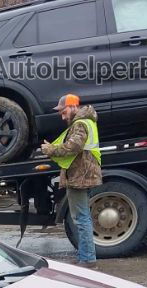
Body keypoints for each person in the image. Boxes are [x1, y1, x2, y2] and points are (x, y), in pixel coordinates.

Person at [40, 93, 102, 265]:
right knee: (83, 218)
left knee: (81, 219)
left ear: (74, 107)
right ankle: (87, 256)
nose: (62, 115)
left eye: (63, 110)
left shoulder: (80, 123)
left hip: (80, 176)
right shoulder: (86, 121)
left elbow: (73, 147)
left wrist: (50, 150)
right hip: (84, 174)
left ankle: (87, 259)